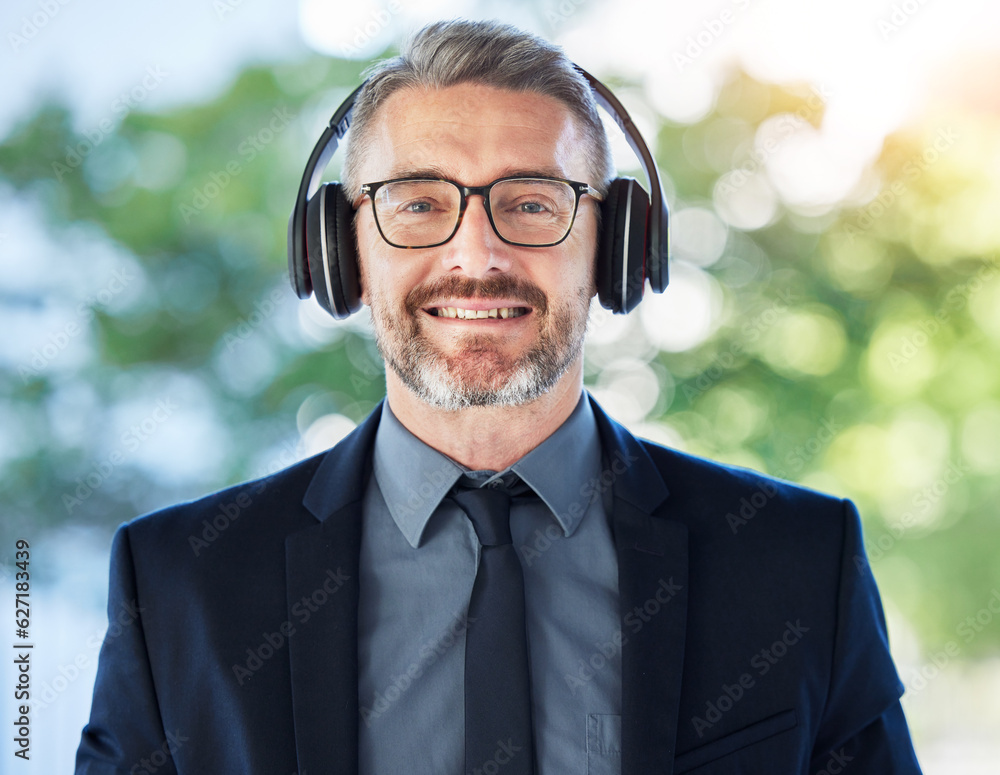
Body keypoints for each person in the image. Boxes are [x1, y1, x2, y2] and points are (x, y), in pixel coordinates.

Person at [75, 19, 922, 775]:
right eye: (418, 203)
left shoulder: (799, 564)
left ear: (617, 246)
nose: (476, 254)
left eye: (530, 202)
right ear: (342, 251)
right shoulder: (180, 586)